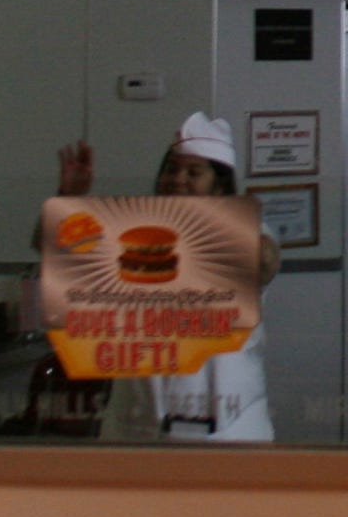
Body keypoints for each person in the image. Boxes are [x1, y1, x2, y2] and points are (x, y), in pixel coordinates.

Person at [80, 116, 286, 443]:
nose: (177, 179)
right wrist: (69, 198)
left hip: (227, 431)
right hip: (135, 426)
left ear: (219, 185)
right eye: (172, 169)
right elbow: (59, 249)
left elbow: (265, 262)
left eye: (194, 173)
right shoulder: (132, 230)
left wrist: (207, 220)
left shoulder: (246, 232)